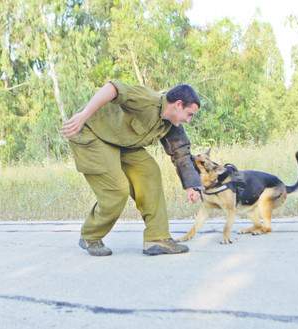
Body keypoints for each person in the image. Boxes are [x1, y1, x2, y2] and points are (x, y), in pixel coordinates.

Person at [61, 81, 203, 256]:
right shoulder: (148, 100)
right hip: (91, 132)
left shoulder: (170, 124)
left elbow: (181, 152)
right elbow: (112, 88)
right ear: (178, 104)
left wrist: (192, 186)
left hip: (121, 142)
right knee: (117, 189)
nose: (188, 121)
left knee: (149, 172)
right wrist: (83, 116)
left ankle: (157, 238)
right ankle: (91, 235)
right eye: (188, 114)